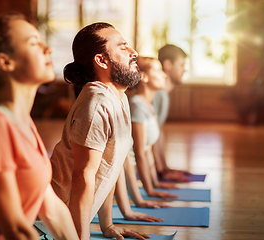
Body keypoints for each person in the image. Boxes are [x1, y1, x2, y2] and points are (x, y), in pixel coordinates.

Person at [0, 13, 79, 240]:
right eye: (33, 43)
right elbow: (14, 227)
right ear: (5, 62)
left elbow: (53, 210)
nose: (47, 48)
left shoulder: (24, 122)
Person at [50, 22, 152, 240]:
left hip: (62, 222)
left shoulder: (118, 96)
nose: (134, 53)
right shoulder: (96, 104)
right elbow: (83, 177)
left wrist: (107, 225)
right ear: (101, 60)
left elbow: (109, 167)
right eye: (123, 48)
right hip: (43, 224)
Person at [129, 57, 178, 199]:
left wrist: (155, 183)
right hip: (123, 173)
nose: (164, 75)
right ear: (143, 77)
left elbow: (147, 149)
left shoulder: (148, 104)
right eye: (158, 70)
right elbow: (139, 154)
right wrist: (149, 191)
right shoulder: (137, 106)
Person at [152, 44, 192, 182]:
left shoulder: (163, 94)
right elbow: (149, 134)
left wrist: (165, 168)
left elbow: (158, 131)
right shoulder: (157, 93)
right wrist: (161, 172)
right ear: (168, 64)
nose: (184, 69)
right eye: (181, 65)